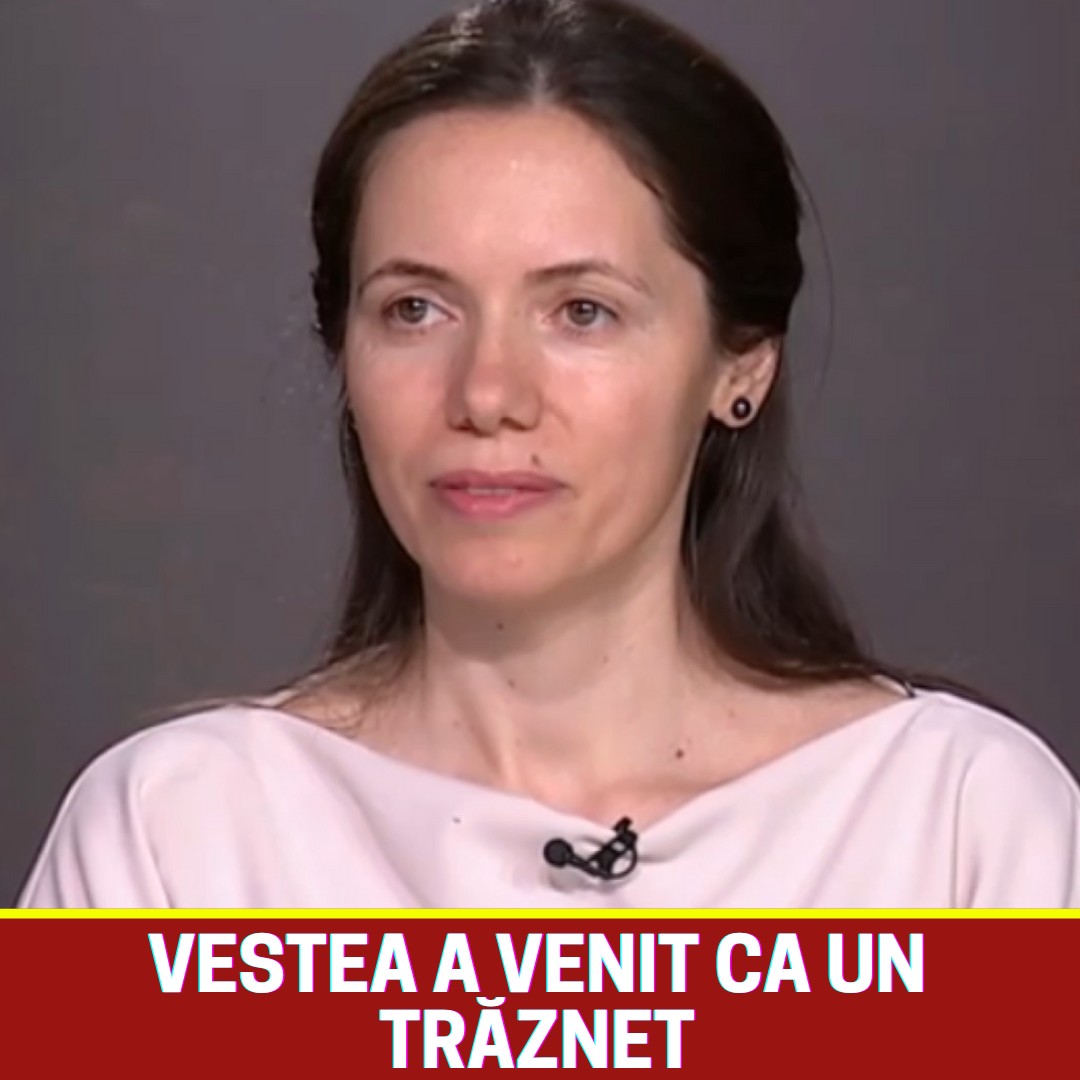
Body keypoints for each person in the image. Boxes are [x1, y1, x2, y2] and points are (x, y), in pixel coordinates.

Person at [18, 0, 1080, 908]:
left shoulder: (960, 826)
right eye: (416, 308)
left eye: (582, 311)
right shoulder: (176, 840)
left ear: (740, 364)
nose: (487, 395)